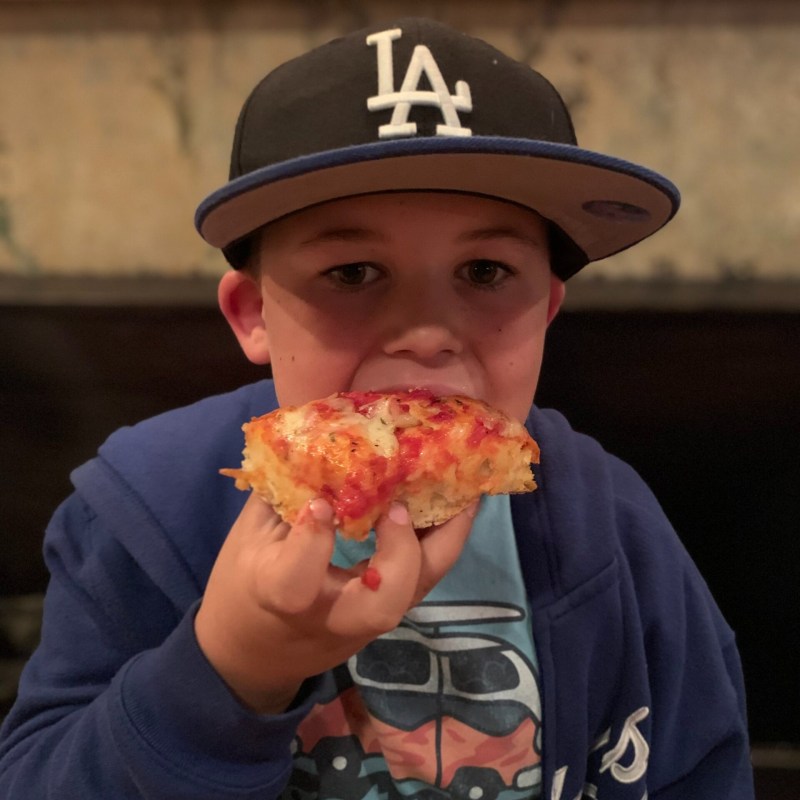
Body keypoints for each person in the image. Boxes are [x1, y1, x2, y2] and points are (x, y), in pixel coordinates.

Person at [0, 17, 753, 800]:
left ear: (547, 312)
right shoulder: (138, 512)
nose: (426, 335)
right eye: (354, 272)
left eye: (486, 271)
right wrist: (232, 667)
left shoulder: (616, 527)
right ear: (254, 315)